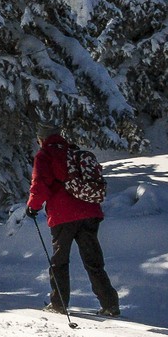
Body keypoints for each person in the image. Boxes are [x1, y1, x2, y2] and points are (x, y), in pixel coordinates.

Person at [27, 125, 120, 316]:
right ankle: (110, 305)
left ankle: (59, 304)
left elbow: (40, 185)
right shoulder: (73, 152)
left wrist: (32, 206)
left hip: (63, 215)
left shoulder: (45, 155)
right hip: (89, 211)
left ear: (41, 139)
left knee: (59, 261)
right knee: (93, 261)